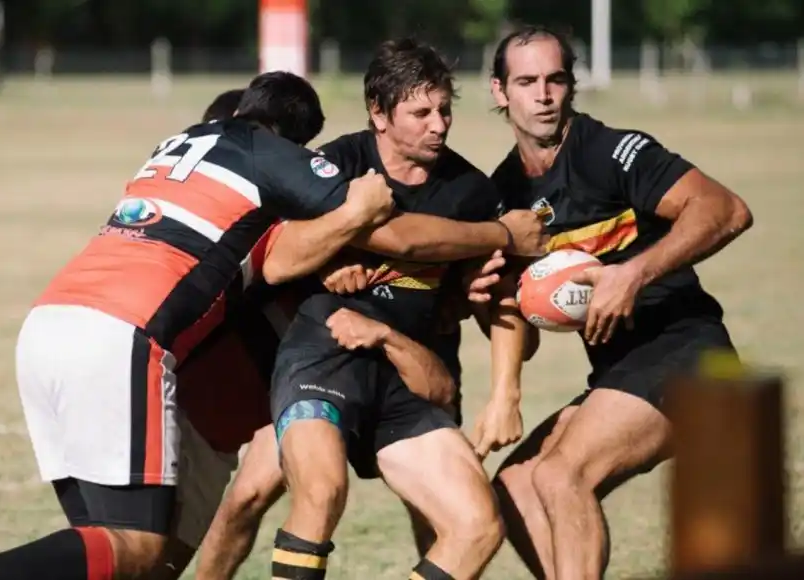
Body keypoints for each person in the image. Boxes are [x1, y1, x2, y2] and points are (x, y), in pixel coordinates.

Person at [0, 72, 399, 580]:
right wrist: (362, 207)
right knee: (139, 549)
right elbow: (352, 209)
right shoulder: (259, 155)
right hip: (122, 337)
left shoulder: (175, 150)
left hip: (50, 323)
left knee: (110, 557)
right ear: (284, 136)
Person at [484, 25, 753, 580]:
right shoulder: (505, 193)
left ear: (571, 85)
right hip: (619, 371)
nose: (543, 95)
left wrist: (633, 273)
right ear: (499, 91)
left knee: (561, 475)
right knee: (514, 486)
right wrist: (490, 307)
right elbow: (523, 330)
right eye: (527, 81)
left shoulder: (612, 150)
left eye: (556, 79)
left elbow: (726, 209)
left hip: (687, 356)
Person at [266, 38, 539, 580]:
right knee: (320, 494)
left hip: (411, 374)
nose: (438, 125)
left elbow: (501, 300)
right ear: (378, 113)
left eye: (444, 110)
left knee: (477, 526)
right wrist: (323, 262)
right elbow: (277, 255)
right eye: (420, 112)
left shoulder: (470, 192)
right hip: (325, 357)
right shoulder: (334, 166)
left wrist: (506, 388)